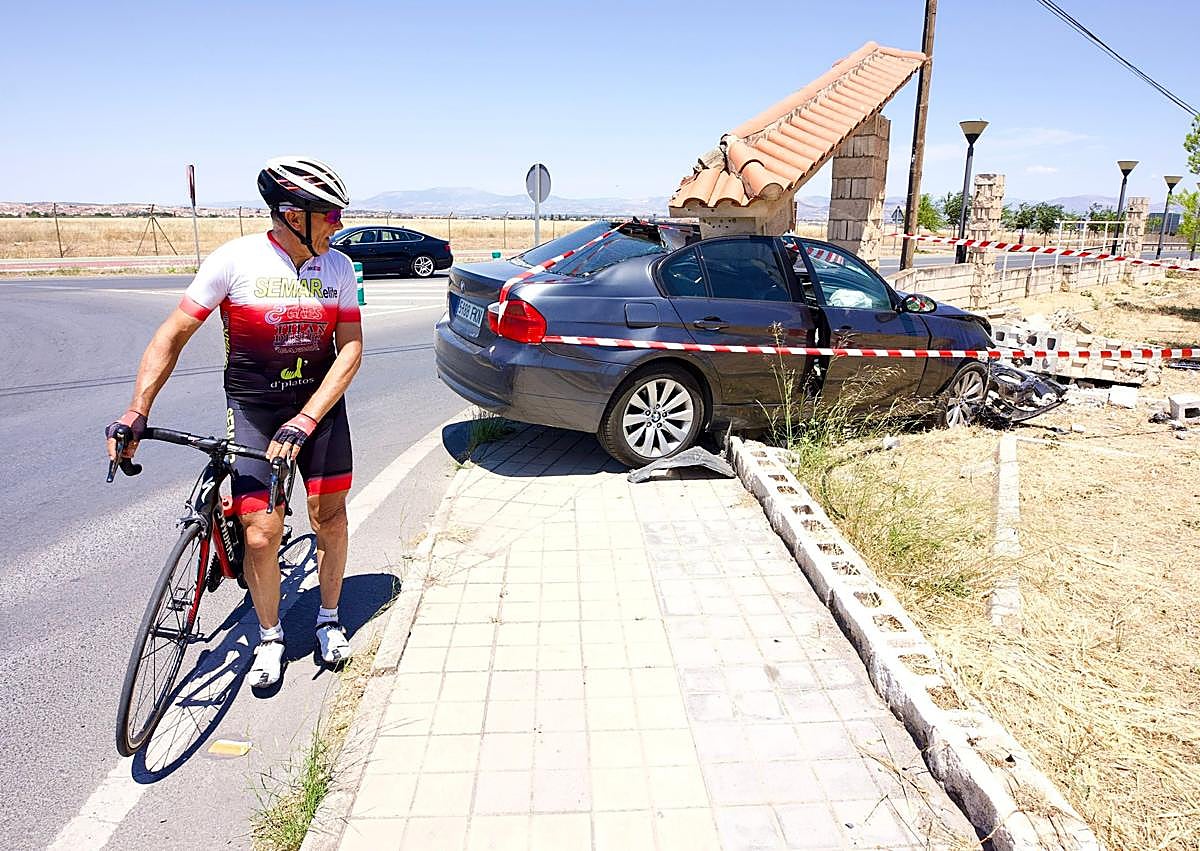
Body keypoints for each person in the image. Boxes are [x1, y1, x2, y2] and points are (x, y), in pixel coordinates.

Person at [105, 156, 363, 688]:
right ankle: (270, 637)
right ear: (293, 216)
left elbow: (351, 350)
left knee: (329, 517)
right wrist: (137, 409)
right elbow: (172, 335)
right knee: (262, 535)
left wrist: (307, 418)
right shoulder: (234, 260)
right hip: (255, 410)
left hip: (318, 411)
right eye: (331, 215)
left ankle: (328, 619)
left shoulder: (338, 267)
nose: (338, 225)